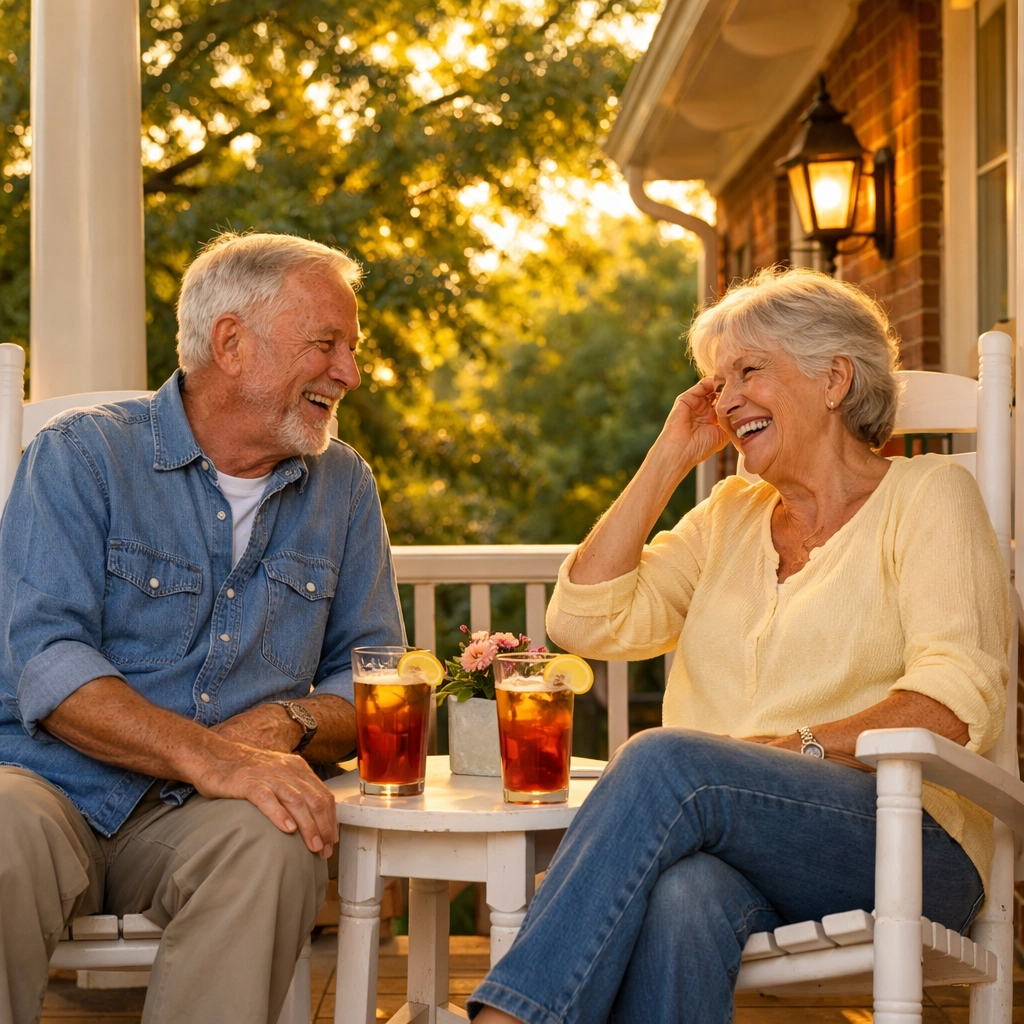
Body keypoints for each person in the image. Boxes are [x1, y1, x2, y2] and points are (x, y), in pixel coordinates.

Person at [468, 267, 1011, 1024]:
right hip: (734, 844)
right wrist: (668, 456)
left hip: (905, 840)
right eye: (716, 384)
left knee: (665, 757)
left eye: (747, 372)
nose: (725, 400)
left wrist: (799, 750)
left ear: (834, 380)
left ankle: (508, 1018)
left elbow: (956, 702)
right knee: (686, 898)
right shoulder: (729, 513)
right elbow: (584, 620)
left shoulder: (928, 497)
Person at [0, 232, 405, 1024]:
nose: (349, 374)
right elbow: (47, 663)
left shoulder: (344, 486)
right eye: (327, 345)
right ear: (230, 343)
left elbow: (370, 681)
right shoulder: (80, 458)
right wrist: (214, 756)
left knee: (281, 838)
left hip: (204, 821)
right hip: (50, 785)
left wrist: (293, 720)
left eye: (351, 351)